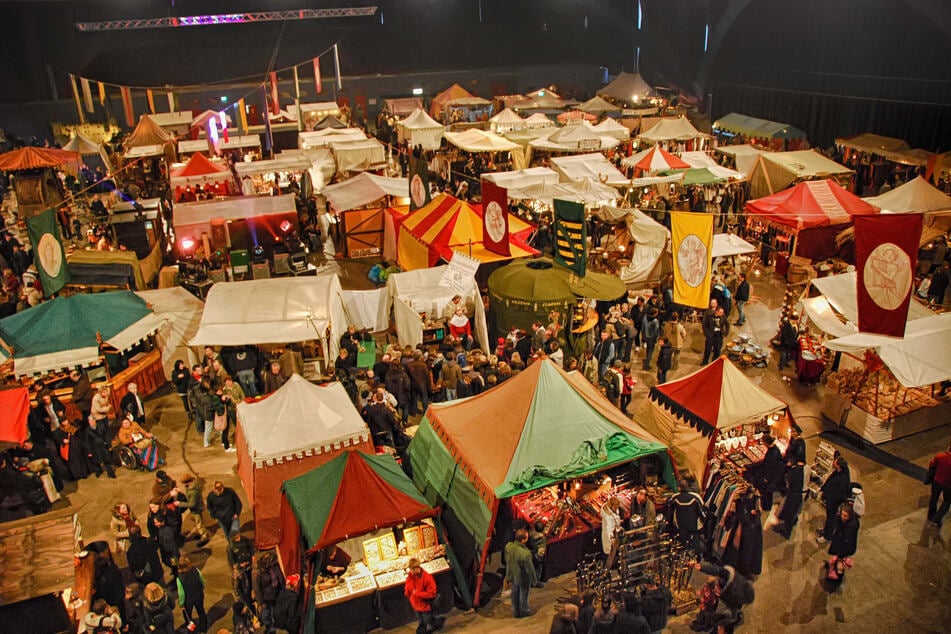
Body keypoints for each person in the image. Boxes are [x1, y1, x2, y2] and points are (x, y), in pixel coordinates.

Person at [695, 562, 754, 627]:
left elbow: (728, 602)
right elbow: (717, 570)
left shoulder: (734, 595)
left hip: (738, 598)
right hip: (737, 591)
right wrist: (702, 568)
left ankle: (735, 619)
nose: (715, 588)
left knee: (732, 612)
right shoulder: (726, 574)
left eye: (717, 588)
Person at [775, 425, 807, 538]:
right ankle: (791, 522)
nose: (792, 433)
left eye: (794, 431)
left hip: (794, 495)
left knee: (790, 511)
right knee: (793, 511)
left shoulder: (797, 471)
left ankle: (787, 530)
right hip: (795, 494)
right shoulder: (800, 470)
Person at [504, 529, 537, 618]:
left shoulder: (508, 547)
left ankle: (515, 611)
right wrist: (534, 580)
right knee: (523, 593)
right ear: (523, 539)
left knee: (515, 593)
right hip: (522, 577)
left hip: (512, 575)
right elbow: (530, 569)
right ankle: (524, 610)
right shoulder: (525, 554)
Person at [817, 456, 851, 543]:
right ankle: (825, 530)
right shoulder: (839, 472)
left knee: (831, 519)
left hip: (834, 502)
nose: (833, 464)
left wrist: (828, 498)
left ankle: (827, 536)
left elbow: (838, 493)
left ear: (839, 466)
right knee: (829, 518)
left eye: (835, 463)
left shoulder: (843, 479)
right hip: (830, 500)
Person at [404, 557, 441, 633]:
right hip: (416, 605)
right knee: (421, 622)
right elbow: (408, 587)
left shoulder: (427, 578)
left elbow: (432, 593)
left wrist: (417, 593)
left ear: (418, 568)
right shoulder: (410, 577)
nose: (412, 571)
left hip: (425, 606)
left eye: (413, 569)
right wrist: (408, 592)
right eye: (411, 569)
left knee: (427, 624)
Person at [669, 479, 706, 553]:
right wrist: (704, 523)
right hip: (694, 527)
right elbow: (702, 512)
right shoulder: (696, 497)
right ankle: (696, 561)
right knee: (695, 548)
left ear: (679, 488)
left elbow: (670, 511)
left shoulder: (674, 498)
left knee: (682, 547)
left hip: (680, 526)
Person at [826, 503, 860, 581]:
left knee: (839, 565)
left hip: (844, 547)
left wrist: (841, 555)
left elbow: (848, 541)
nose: (842, 517)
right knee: (837, 560)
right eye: (842, 514)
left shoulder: (851, 526)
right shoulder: (844, 521)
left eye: (845, 516)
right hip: (839, 543)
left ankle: (838, 578)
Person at [255, 550, 285, 634]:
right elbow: (257, 588)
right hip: (267, 597)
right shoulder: (259, 572)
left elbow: (280, 576)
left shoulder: (274, 565)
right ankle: (270, 628)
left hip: (277, 592)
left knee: (277, 611)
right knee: (266, 614)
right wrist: (261, 601)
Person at [176, 555, 207, 633]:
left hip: (188, 600)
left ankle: (191, 631)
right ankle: (204, 628)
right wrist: (202, 587)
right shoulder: (195, 570)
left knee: (188, 616)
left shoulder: (179, 578)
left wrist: (181, 603)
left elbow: (181, 593)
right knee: (201, 611)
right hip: (199, 595)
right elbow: (202, 580)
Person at [180, 473, 210, 546]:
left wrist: (180, 504)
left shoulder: (193, 491)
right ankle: (201, 533)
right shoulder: (193, 486)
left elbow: (191, 504)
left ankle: (204, 536)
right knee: (198, 521)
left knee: (199, 523)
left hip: (196, 509)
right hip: (198, 507)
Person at [926, 442, 951, 528]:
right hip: (949, 485)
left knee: (934, 498)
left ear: (948, 447)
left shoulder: (939, 456)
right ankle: (936, 520)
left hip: (937, 481)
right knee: (947, 501)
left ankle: (930, 516)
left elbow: (931, 464)